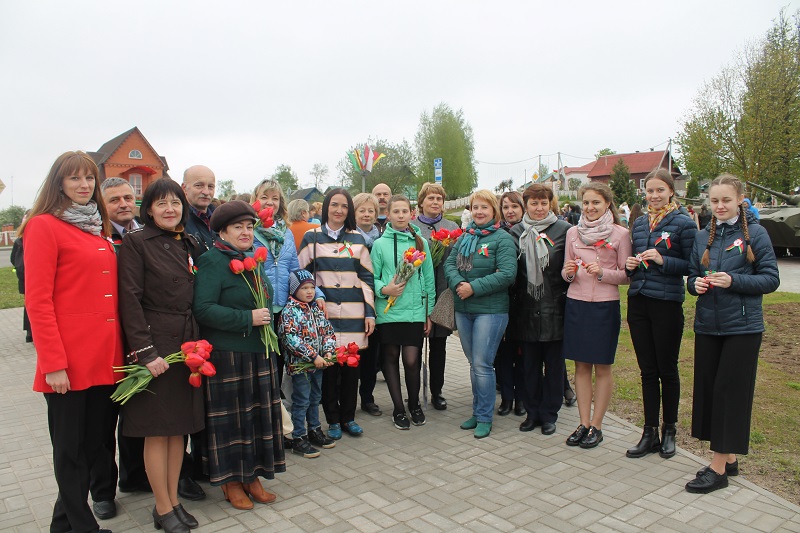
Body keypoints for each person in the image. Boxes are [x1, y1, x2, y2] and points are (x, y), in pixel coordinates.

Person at [21, 150, 123, 533]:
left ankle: (63, 524)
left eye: (88, 179)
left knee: (95, 445)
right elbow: (38, 300)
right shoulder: (43, 226)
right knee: (70, 451)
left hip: (104, 358)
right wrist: (53, 363)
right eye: (74, 179)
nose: (83, 186)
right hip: (68, 360)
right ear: (58, 184)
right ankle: (82, 526)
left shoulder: (98, 227)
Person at [117, 178, 205, 533]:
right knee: (157, 430)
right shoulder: (137, 243)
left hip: (187, 346)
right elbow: (130, 301)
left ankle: (174, 500)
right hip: (156, 348)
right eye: (162, 203)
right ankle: (161, 506)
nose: (171, 209)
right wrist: (145, 352)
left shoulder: (188, 242)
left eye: (176, 203)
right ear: (149, 209)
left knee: (177, 430)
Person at [685, 174, 779, 494]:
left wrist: (734, 281)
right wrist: (694, 285)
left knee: (729, 393)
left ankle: (717, 468)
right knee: (711, 392)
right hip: (708, 325)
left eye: (726, 200)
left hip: (743, 327)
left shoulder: (756, 233)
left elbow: (770, 279)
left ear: (740, 199)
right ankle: (729, 458)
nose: (720, 206)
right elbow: (692, 276)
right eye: (714, 201)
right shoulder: (702, 237)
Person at [192, 200, 286, 510]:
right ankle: (231, 482)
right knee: (233, 424)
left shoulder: (252, 259)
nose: (246, 232)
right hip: (228, 355)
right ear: (222, 231)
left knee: (257, 419)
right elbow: (203, 309)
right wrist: (247, 318)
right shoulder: (212, 261)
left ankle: (252, 477)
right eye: (238, 227)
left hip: (259, 352)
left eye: (249, 226)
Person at [624, 169, 698, 460]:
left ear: (671, 191)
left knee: (667, 369)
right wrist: (631, 264)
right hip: (639, 301)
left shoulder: (683, 223)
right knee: (647, 371)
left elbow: (692, 267)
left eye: (660, 190)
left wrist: (663, 260)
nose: (654, 196)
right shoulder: (640, 223)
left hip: (666, 303)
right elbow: (634, 261)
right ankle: (649, 432)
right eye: (650, 191)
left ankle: (670, 430)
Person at [297, 188, 376, 440]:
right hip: (324, 314)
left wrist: (370, 313)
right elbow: (301, 276)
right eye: (334, 205)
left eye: (344, 206)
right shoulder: (312, 238)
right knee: (329, 368)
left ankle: (349, 418)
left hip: (354, 312)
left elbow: (367, 279)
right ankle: (331, 418)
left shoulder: (357, 239)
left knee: (352, 368)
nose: (339, 210)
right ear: (326, 208)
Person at [562, 182, 632, 449]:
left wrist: (602, 273)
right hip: (577, 303)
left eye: (596, 203)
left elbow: (626, 275)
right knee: (580, 365)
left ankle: (598, 425)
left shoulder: (620, 234)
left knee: (602, 366)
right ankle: (583, 422)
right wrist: (568, 272)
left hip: (604, 305)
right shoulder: (572, 233)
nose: (590, 208)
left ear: (607, 204)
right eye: (586, 203)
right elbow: (565, 274)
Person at [444, 189, 517, 439]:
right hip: (465, 310)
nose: (479, 211)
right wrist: (458, 285)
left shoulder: (502, 238)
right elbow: (450, 264)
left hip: (491, 310)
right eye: (475, 207)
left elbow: (507, 274)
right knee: (474, 364)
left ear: (493, 210)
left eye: (484, 207)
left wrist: (472, 287)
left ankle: (485, 416)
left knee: (482, 364)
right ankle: (477, 411)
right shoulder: (465, 237)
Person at [509, 184, 572, 435]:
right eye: (534, 203)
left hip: (555, 306)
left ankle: (549, 414)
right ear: (526, 205)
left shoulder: (565, 231)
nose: (539, 208)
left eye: (543, 203)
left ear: (550, 203)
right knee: (529, 366)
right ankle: (532, 412)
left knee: (554, 366)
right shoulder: (515, 232)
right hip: (524, 309)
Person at [250, 179, 325, 385]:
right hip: (259, 306)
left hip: (283, 305)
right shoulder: (249, 229)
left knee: (281, 357)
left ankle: (277, 400)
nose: (269, 203)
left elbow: (295, 269)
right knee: (263, 359)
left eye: (275, 198)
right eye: (264, 197)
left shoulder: (286, 232)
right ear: (255, 201)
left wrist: (316, 293)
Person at [371, 195, 435, 430]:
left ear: (411, 214)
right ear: (387, 215)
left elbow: (428, 279)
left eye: (404, 211)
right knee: (390, 358)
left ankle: (414, 403)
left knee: (411, 360)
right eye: (395, 211)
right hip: (388, 312)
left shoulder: (420, 242)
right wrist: (384, 289)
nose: (400, 215)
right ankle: (398, 408)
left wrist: (428, 312)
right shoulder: (379, 244)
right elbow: (372, 278)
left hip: (414, 311)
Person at [278, 269, 337, 457]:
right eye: (304, 288)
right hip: (301, 365)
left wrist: (328, 351)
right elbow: (290, 338)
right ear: (294, 290)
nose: (310, 292)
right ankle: (298, 437)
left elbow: (328, 331)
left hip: (318, 365)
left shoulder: (316, 309)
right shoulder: (289, 311)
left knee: (315, 398)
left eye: (312, 287)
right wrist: (312, 356)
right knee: (301, 400)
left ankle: (314, 429)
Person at [415, 183, 460, 411]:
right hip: (417, 294)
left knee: (438, 346)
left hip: (442, 292)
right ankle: (414, 392)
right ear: (421, 202)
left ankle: (437, 390)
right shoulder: (412, 227)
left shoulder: (451, 226)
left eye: (439, 199)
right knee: (413, 346)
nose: (435, 202)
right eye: (430, 198)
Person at [496, 191, 526, 417]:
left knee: (522, 353)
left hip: (525, 300)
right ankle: (507, 397)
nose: (510, 211)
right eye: (506, 207)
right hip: (502, 300)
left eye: (514, 206)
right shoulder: (498, 233)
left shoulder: (530, 231)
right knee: (504, 353)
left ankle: (522, 398)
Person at [353, 192, 382, 416]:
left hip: (377, 302)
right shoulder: (348, 238)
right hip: (353, 302)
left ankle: (368, 397)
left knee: (372, 355)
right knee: (354, 353)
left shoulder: (381, 240)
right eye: (362, 210)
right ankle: (348, 397)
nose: (366, 214)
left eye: (370, 210)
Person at [182, 165, 217, 250]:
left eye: (210, 186)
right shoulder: (177, 221)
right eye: (199, 185)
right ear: (184, 188)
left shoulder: (220, 219)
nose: (206, 192)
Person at [10, 210, 31, 342]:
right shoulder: (23, 240)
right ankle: (30, 332)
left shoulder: (20, 240)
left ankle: (30, 333)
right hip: (27, 278)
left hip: (24, 277)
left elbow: (13, 259)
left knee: (29, 304)